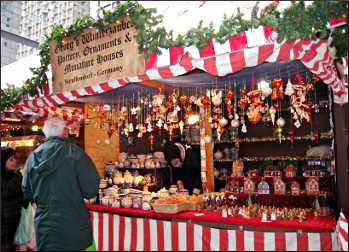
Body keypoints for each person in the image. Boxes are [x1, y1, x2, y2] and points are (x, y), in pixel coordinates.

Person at [22, 116, 100, 251]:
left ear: (46, 133)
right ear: (64, 131)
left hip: (45, 228)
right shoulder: (76, 153)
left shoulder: (32, 158)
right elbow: (91, 190)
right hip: (74, 226)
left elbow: (27, 191)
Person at [1, 147, 28, 252]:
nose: (14, 161)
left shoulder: (16, 175)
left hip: (14, 224)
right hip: (4, 226)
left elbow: (24, 199)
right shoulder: (15, 177)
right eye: (11, 159)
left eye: (14, 158)